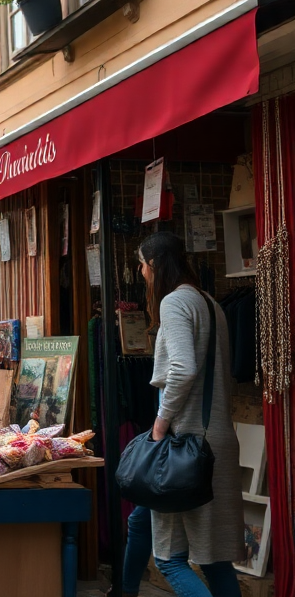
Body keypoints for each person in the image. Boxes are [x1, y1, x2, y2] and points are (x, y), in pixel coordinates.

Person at [112, 232, 242, 597]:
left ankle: (124, 590)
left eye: (141, 264)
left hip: (185, 447)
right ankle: (125, 590)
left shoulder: (173, 303)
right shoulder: (210, 303)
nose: (140, 271)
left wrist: (158, 425)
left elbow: (183, 369)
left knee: (169, 559)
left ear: (154, 265)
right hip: (216, 439)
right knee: (215, 560)